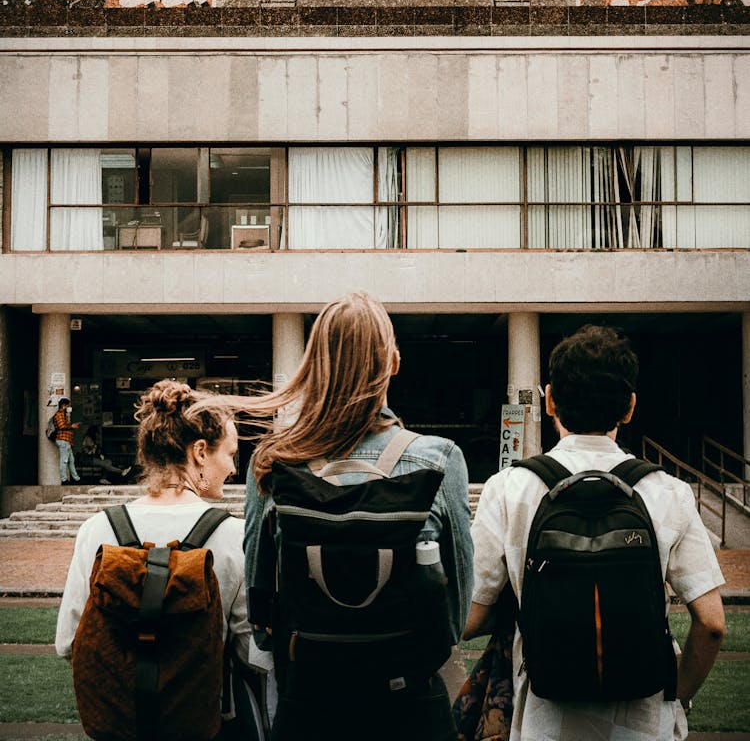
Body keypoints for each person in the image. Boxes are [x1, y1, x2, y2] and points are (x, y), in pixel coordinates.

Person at [465, 324, 725, 741]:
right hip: (644, 721)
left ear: (550, 400)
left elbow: (469, 614)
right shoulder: (667, 491)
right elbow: (711, 623)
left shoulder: (509, 489)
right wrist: (679, 694)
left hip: (543, 721)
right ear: (630, 408)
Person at [243, 291, 474, 741]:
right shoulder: (439, 460)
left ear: (314, 364)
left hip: (307, 707)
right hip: (408, 707)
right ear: (393, 363)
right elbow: (455, 618)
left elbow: (262, 620)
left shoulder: (272, 463)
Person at [56, 380, 256, 735]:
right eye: (229, 453)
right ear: (199, 452)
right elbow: (251, 653)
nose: (233, 468)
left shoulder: (97, 530)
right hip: (203, 724)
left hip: (121, 727)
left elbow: (69, 642)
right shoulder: (233, 536)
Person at [53, 397, 80, 486]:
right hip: (63, 439)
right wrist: (72, 426)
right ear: (63, 405)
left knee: (71, 460)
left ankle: (76, 479)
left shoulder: (64, 415)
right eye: (68, 406)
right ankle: (64, 480)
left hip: (67, 440)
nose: (69, 407)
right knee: (64, 460)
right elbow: (61, 426)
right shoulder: (59, 414)